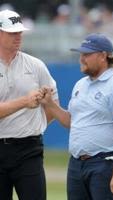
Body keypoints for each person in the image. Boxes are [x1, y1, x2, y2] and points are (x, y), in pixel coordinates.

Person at [41, 33, 113, 200]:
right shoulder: (81, 84)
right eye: (81, 54)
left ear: (103, 56)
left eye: (87, 54)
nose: (81, 58)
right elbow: (72, 121)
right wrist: (49, 104)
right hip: (77, 165)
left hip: (104, 164)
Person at [0, 9, 58, 200]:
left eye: (20, 32)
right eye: (12, 33)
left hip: (28, 149)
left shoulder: (35, 66)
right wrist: (25, 102)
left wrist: (35, 127)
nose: (18, 37)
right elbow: (27, 102)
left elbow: (52, 104)